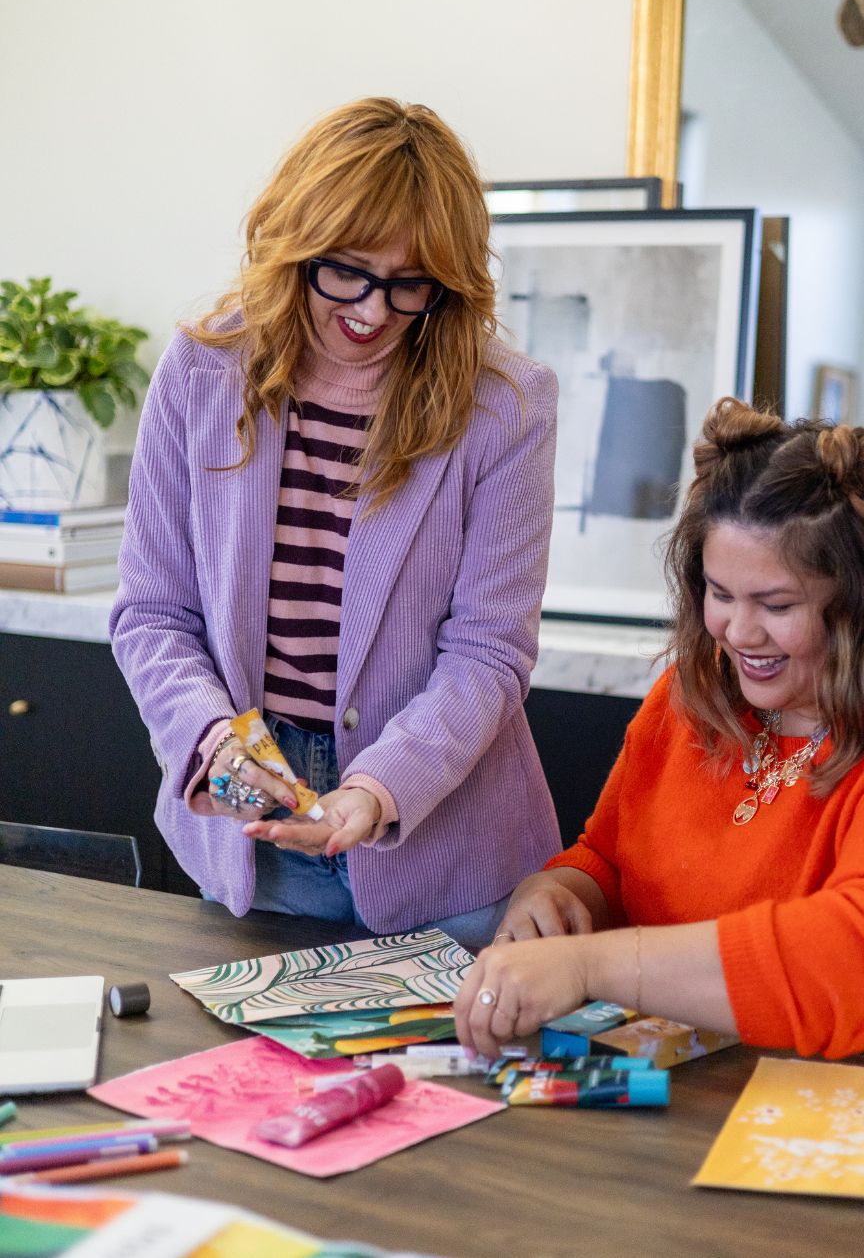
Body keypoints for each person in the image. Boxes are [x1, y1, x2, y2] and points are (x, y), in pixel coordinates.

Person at [454, 400, 864, 1057]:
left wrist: (590, 965)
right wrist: (561, 896)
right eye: (720, 594)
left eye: (776, 604)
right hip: (710, 1094)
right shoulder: (692, 696)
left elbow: (852, 966)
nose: (740, 634)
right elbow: (608, 860)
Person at [111, 98, 561, 946]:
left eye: (409, 284)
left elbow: (490, 652)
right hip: (257, 836)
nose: (372, 311)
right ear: (295, 244)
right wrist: (216, 746)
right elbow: (154, 615)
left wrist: (378, 789)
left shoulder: (506, 405)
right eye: (347, 271)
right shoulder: (204, 370)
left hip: (448, 846)